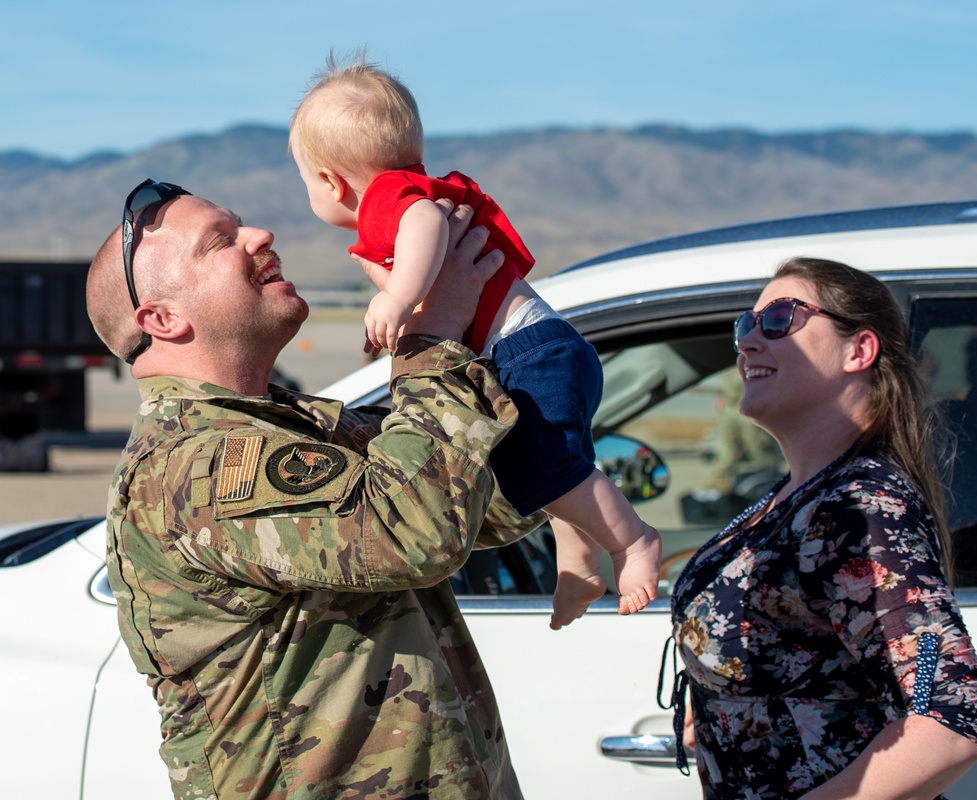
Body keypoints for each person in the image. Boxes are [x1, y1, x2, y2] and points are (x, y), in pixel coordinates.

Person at [87, 178, 548, 800]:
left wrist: (518, 336)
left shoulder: (298, 425)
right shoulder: (194, 467)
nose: (260, 236)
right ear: (163, 319)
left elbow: (488, 501)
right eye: (220, 241)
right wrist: (429, 335)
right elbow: (413, 532)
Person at [289, 52, 661, 630]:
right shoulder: (409, 188)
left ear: (331, 182)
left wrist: (395, 296)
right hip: (538, 350)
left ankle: (632, 542)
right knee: (545, 466)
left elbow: (425, 224)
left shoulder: (393, 198)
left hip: (526, 353)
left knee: (546, 469)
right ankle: (578, 559)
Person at [668, 257, 977, 799]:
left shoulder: (858, 507)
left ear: (859, 350)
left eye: (779, 320)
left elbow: (948, 718)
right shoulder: (799, 497)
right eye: (744, 326)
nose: (748, 342)